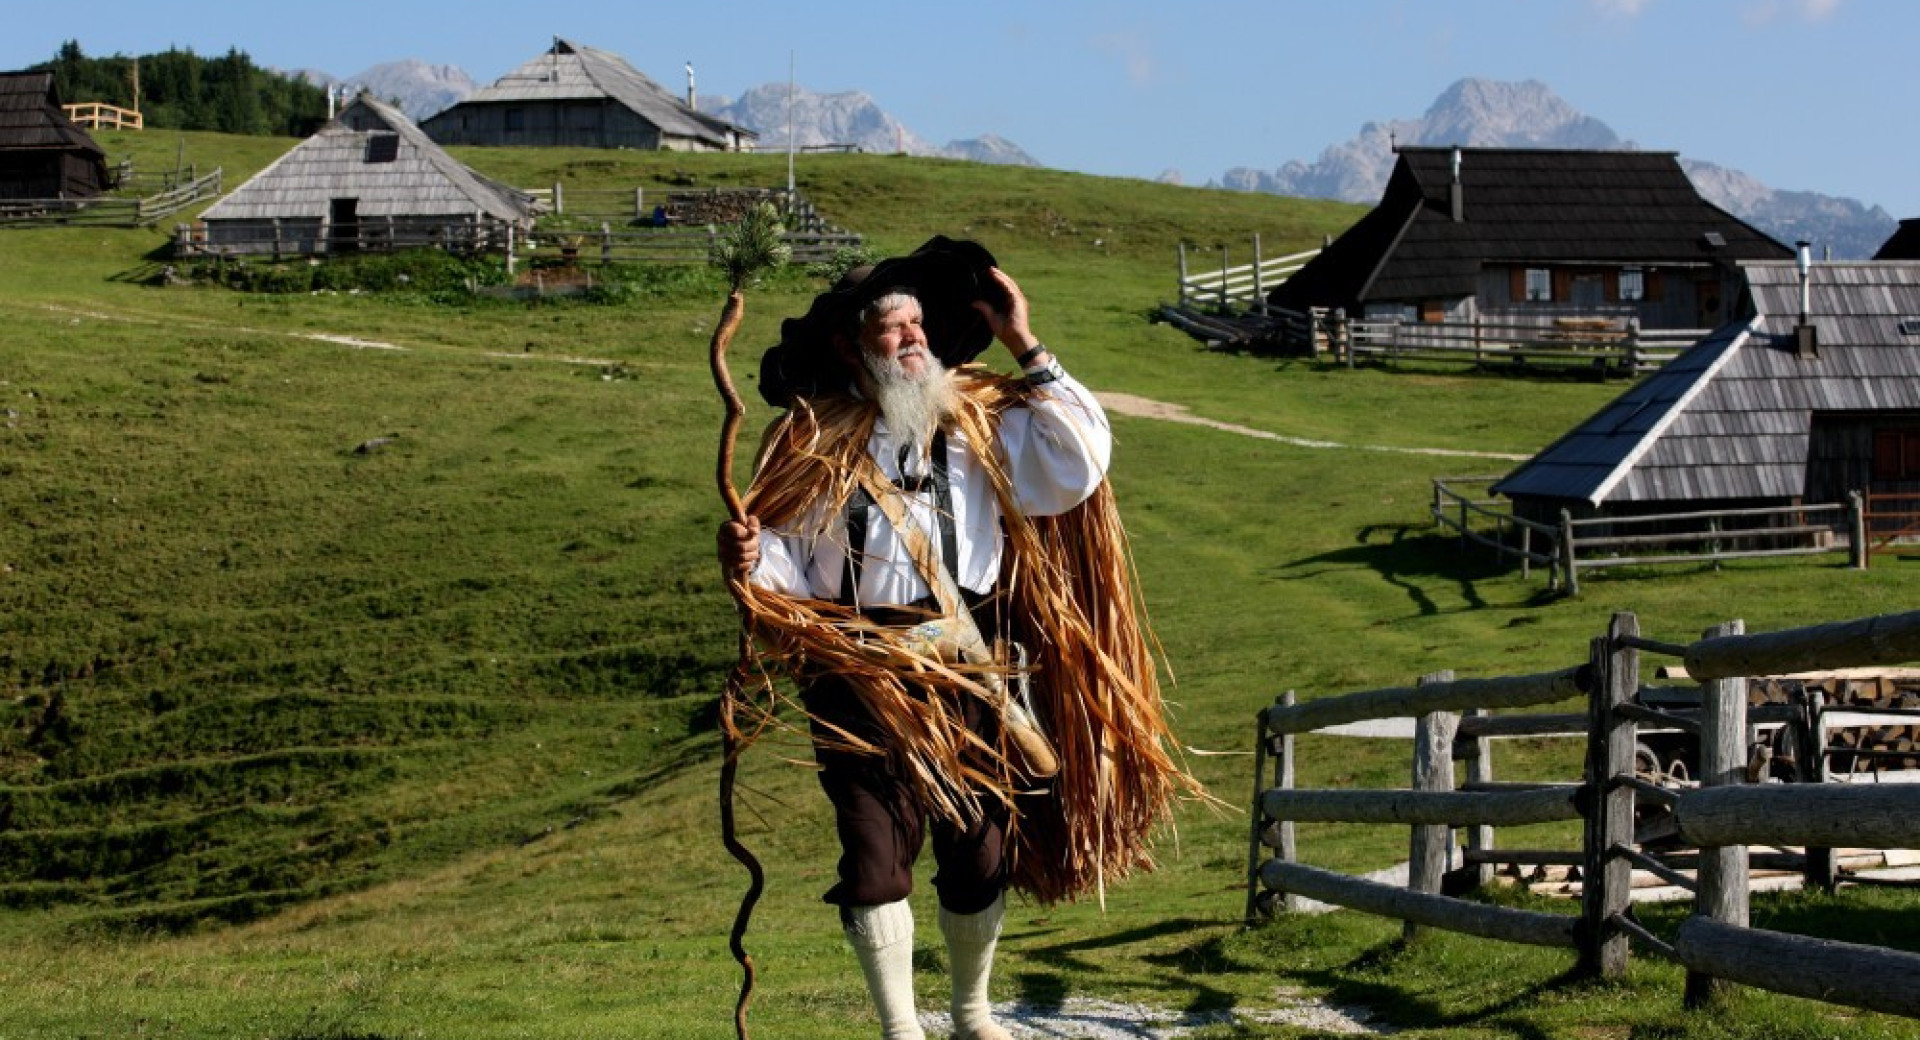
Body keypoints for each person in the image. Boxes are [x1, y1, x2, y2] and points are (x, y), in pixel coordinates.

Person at [717, 236, 1191, 1040]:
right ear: (850, 346)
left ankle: (973, 1014)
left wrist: (1023, 339)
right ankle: (902, 1030)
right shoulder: (804, 443)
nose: (914, 340)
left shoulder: (982, 425)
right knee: (874, 857)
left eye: (918, 325)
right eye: (894, 329)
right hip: (858, 678)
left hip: (970, 671)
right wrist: (749, 561)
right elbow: (787, 571)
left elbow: (1080, 463)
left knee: (978, 851)